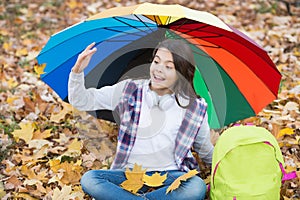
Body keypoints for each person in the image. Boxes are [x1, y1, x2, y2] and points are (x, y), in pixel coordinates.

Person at [68, 39, 214, 200]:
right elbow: (81, 100)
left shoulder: (194, 107)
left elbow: (204, 149)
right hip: (129, 173)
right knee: (90, 179)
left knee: (196, 187)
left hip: (172, 175)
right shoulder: (128, 90)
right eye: (156, 61)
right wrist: (77, 72)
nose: (159, 70)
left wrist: (225, 168)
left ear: (181, 72)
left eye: (168, 66)